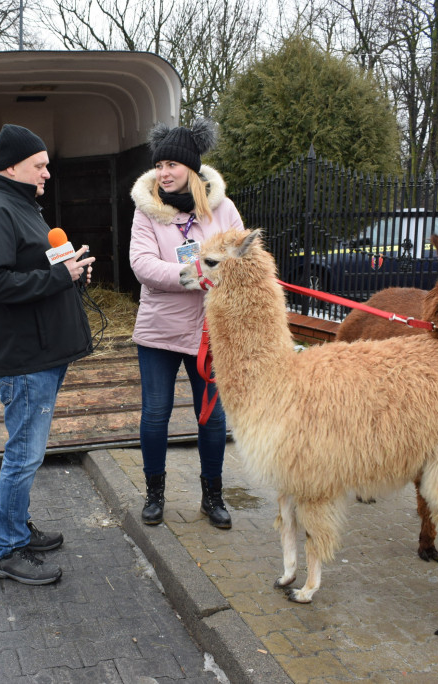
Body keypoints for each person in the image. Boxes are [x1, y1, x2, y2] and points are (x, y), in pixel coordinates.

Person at [0, 124, 95, 585]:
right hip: (26, 359)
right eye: (39, 165)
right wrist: (60, 277)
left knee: (28, 452)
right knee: (23, 454)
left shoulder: (17, 205)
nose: (46, 173)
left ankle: (17, 528)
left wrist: (67, 267)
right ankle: (5, 550)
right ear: (12, 166)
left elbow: (26, 265)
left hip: (41, 352)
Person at [129, 118, 244, 529]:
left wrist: (225, 269)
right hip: (159, 332)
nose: (163, 173)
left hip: (209, 331)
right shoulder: (147, 213)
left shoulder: (223, 209)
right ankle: (154, 494)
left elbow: (240, 255)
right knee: (155, 414)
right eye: (159, 166)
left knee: (212, 417)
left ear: (191, 168)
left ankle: (213, 495)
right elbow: (142, 265)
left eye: (171, 165)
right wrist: (194, 275)